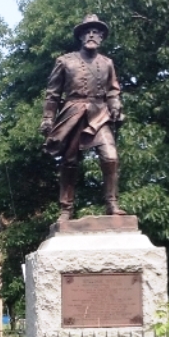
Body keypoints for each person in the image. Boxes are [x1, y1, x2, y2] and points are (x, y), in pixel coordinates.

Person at [40, 14, 126, 219]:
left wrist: (115, 105)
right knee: (69, 162)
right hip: (73, 112)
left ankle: (112, 204)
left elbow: (113, 91)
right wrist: (47, 118)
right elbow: (53, 93)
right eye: (87, 32)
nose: (91, 35)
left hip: (99, 114)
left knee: (111, 157)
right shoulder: (65, 61)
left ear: (102, 37)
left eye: (96, 32)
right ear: (80, 36)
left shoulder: (107, 63)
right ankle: (65, 209)